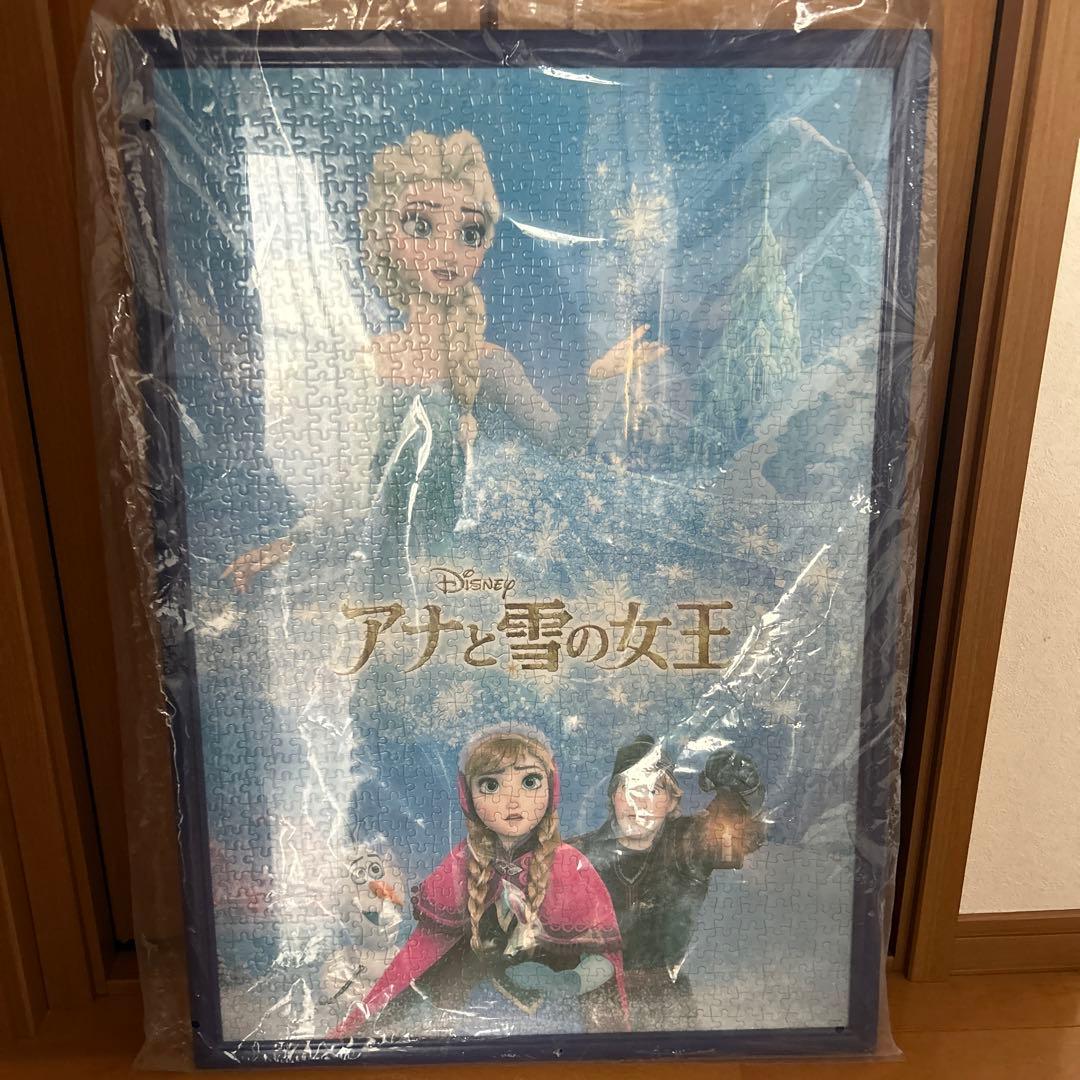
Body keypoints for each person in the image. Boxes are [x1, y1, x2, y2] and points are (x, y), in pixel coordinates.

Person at [222, 129, 665, 591]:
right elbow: (350, 496)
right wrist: (290, 545)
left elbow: (563, 442)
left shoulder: (489, 364)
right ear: (384, 234)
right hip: (383, 572)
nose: (447, 250)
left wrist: (601, 377)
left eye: (469, 233)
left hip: (462, 573)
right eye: (421, 225)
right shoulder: (365, 365)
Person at [328, 725, 628, 1039]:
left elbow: (605, 958)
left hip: (554, 1022)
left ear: (552, 789)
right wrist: (366, 1018)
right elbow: (422, 952)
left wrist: (569, 982)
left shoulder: (569, 866)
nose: (512, 801)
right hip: (471, 1017)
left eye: (529, 781)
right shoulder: (462, 862)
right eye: (491, 785)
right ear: (468, 798)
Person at [573, 734, 766, 1030]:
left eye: (654, 789)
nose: (640, 801)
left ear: (672, 799)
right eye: (629, 787)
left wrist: (744, 793)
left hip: (668, 999)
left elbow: (746, 836)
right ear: (613, 795)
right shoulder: (577, 854)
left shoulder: (689, 842)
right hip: (596, 999)